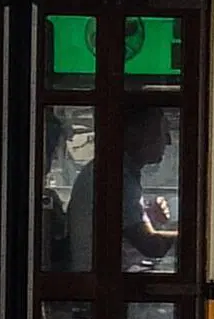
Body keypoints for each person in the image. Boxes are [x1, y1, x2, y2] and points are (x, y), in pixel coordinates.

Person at [67, 106, 178, 272]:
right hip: (103, 284)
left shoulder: (111, 169)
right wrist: (196, 236)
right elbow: (151, 245)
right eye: (160, 132)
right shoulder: (116, 176)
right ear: (135, 135)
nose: (167, 141)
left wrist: (148, 217)